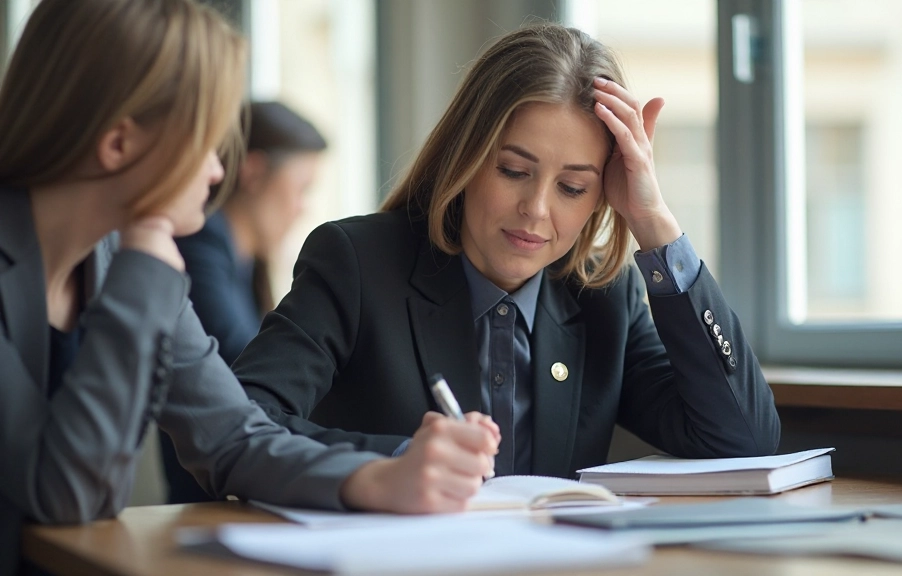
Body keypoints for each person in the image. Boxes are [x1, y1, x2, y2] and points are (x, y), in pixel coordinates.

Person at [0, 1, 498, 574]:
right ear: (118, 144)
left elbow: (234, 437)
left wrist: (381, 477)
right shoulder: (143, 263)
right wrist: (145, 271)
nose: (218, 172)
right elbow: (63, 497)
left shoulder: (123, 257)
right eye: (205, 142)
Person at [234, 24, 781, 480]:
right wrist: (397, 463)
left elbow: (742, 436)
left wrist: (654, 222)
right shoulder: (357, 262)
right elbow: (240, 422)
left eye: (572, 188)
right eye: (513, 171)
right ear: (466, 157)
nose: (536, 210)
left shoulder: (602, 297)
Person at [160, 102, 326, 503]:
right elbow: (246, 366)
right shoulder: (199, 245)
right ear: (253, 170)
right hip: (210, 489)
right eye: (300, 188)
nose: (302, 208)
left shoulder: (242, 261)